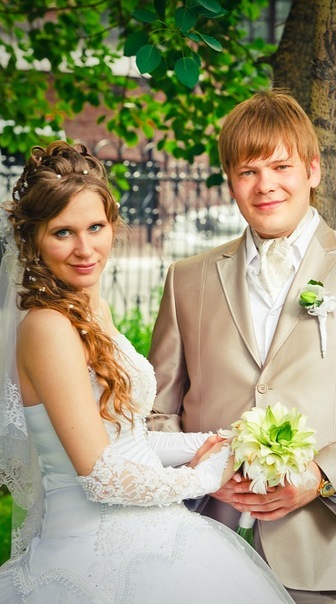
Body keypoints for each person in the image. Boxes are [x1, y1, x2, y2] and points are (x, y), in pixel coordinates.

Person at [0, 141, 295, 603]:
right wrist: (204, 477)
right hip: (90, 557)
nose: (84, 249)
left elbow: (127, 440)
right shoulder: (47, 327)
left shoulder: (92, 313)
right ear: (33, 239)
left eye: (95, 227)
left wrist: (222, 442)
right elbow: (102, 475)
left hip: (150, 532)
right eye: (62, 232)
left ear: (113, 225)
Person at [148, 90, 336, 603]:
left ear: (313, 170)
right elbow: (155, 414)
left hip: (331, 549)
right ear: (230, 182)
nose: (265, 185)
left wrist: (322, 478)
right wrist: (200, 475)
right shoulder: (187, 279)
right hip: (205, 546)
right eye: (248, 171)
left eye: (281, 166)